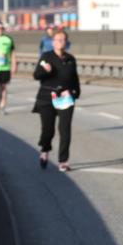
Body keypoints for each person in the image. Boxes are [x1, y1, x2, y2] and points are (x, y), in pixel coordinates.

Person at [33, 28, 81, 172]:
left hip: (66, 98)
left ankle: (63, 161)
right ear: (53, 42)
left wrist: (76, 92)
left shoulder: (70, 59)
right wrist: (45, 71)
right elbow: (36, 75)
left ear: (67, 42)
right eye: (58, 39)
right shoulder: (46, 57)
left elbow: (74, 77)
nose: (61, 42)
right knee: (48, 130)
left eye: (63, 40)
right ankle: (45, 150)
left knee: (65, 130)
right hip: (47, 97)